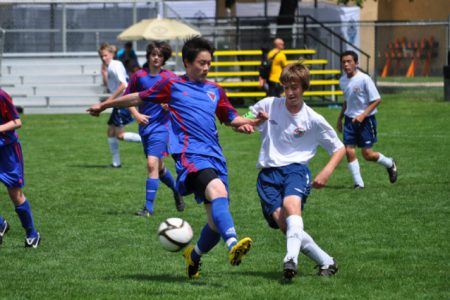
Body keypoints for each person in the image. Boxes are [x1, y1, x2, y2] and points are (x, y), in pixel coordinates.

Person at [88, 36, 266, 279]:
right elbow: (139, 97)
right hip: (190, 156)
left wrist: (247, 123)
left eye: (209, 63)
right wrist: (106, 104)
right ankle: (233, 244)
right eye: (201, 63)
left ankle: (193, 257)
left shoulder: (215, 90)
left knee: (214, 224)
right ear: (186, 62)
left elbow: (229, 118)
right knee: (218, 193)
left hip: (215, 157)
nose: (206, 68)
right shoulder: (172, 85)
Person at [241, 63, 345, 280]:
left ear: (303, 87)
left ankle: (291, 259)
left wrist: (326, 172)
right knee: (284, 224)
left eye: (295, 87)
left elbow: (339, 148)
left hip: (296, 170)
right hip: (268, 175)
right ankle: (326, 261)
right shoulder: (269, 104)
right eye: (286, 87)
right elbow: (241, 121)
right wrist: (250, 122)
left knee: (291, 206)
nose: (290, 92)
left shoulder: (313, 119)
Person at [124, 41, 185, 216]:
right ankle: (177, 190)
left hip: (162, 127)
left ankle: (148, 209)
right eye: (153, 54)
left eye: (160, 55)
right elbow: (127, 97)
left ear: (164, 58)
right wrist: (135, 114)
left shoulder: (170, 77)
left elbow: (181, 100)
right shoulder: (138, 76)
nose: (156, 58)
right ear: (149, 56)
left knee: (151, 164)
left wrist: (170, 106)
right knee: (159, 168)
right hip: (145, 127)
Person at [337, 50, 397, 189]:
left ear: (356, 63)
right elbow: (346, 101)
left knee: (367, 154)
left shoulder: (364, 79)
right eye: (344, 62)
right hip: (349, 120)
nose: (346, 64)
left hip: (366, 120)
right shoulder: (342, 80)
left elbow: (377, 100)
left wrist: (363, 115)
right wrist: (340, 118)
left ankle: (389, 163)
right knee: (349, 151)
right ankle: (359, 184)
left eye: (349, 61)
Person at [0, 88, 40, 248]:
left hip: (7, 150)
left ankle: (32, 233)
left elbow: (17, 122)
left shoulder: (1, 96)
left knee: (15, 194)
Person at [98, 42, 142, 168]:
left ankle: (146, 140)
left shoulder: (115, 65)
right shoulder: (111, 66)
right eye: (101, 56)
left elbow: (124, 85)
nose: (103, 58)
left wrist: (109, 101)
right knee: (110, 131)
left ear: (112, 54)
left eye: (105, 55)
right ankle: (116, 163)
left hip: (123, 103)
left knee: (119, 135)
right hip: (120, 103)